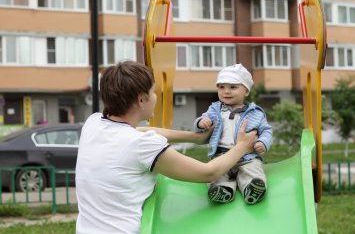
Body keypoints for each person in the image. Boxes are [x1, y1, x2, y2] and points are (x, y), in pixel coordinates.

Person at [75, 60, 258, 234]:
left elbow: (141, 130)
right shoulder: (142, 146)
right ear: (141, 100)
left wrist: (195, 138)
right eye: (153, 92)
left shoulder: (93, 124)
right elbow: (207, 173)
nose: (155, 97)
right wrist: (242, 147)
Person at [194, 63, 272, 205]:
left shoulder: (255, 112)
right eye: (221, 87)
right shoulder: (215, 109)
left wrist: (263, 142)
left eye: (233, 87)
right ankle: (223, 190)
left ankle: (251, 188)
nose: (226, 91)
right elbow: (203, 120)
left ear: (246, 91)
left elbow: (266, 130)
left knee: (252, 170)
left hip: (247, 156)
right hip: (221, 155)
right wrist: (201, 122)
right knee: (217, 174)